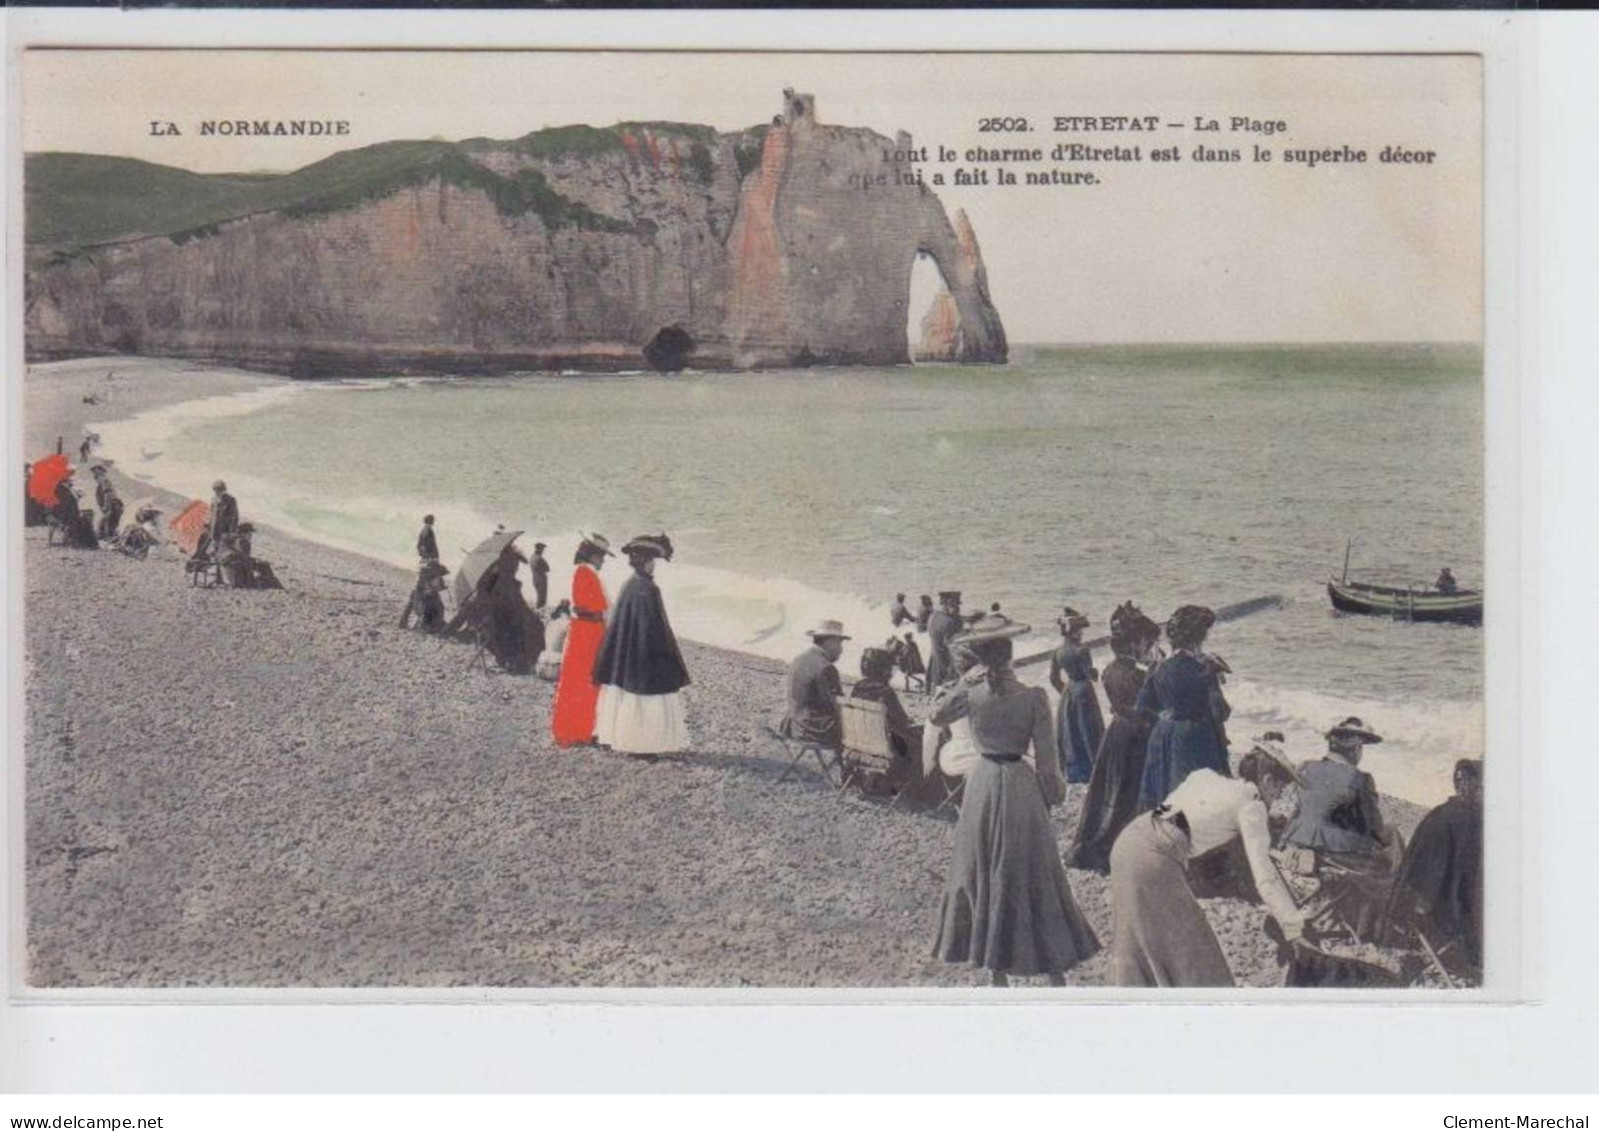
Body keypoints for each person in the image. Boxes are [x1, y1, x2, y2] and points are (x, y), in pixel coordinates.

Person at [930, 613, 1100, 986]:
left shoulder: (971, 695)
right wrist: (1053, 796)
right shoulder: (1034, 697)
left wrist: (963, 681)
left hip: (983, 784)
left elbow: (936, 714)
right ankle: (1054, 970)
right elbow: (1047, 762)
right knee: (1035, 872)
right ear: (1010, 656)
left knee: (986, 871)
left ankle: (997, 971)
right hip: (1019, 785)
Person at [1108, 748, 1308, 987]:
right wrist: (1293, 925)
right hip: (1154, 860)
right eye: (1279, 789)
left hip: (1130, 838)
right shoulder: (1252, 806)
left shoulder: (1204, 776)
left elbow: (1170, 810)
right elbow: (1265, 877)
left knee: (1138, 940)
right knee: (1195, 954)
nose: (1277, 799)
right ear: (1266, 780)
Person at [1282, 717, 1401, 939]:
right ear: (1355, 749)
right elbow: (1373, 827)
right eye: (1361, 747)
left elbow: (1303, 809)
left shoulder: (1306, 767)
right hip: (1333, 856)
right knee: (1391, 836)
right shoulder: (1359, 778)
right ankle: (1393, 909)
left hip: (1299, 845)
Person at [1069, 601, 1164, 873]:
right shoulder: (1138, 675)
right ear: (1135, 643)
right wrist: (1157, 671)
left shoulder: (1110, 670)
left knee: (1109, 793)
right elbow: (1150, 710)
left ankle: (1098, 846)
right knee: (1131, 795)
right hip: (1136, 740)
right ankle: (1124, 850)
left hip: (1117, 735)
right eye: (1147, 643)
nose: (1148, 648)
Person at [592, 534, 692, 757]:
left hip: (629, 657)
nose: (654, 565)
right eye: (652, 561)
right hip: (646, 656)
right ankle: (643, 747)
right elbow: (656, 627)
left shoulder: (629, 585)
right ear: (646, 562)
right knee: (648, 702)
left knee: (630, 700)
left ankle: (630, 743)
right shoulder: (649, 589)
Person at [1383, 759, 1483, 972]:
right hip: (1467, 919)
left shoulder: (1439, 816)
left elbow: (1413, 879)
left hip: (1436, 914)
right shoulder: (1485, 820)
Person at [1136, 605, 1232, 809]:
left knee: (1165, 797)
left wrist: (1165, 717)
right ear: (1198, 640)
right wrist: (1213, 679)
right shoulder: (1203, 669)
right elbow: (1220, 712)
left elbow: (1141, 708)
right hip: (1194, 738)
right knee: (1197, 799)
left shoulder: (1158, 667)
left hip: (1162, 735)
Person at [552, 534, 613, 745]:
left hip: (585, 629)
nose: (603, 560)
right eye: (602, 556)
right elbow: (598, 606)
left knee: (580, 679)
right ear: (594, 555)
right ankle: (579, 731)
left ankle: (579, 729)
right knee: (585, 680)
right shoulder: (586, 573)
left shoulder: (582, 572)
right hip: (587, 631)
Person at [848, 647, 924, 789]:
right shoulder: (886, 692)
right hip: (883, 748)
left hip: (859, 743)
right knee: (920, 740)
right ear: (884, 670)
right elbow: (902, 722)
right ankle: (915, 789)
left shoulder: (857, 687)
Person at [1049, 607, 1104, 784]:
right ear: (1074, 632)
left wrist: (1065, 692)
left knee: (1071, 732)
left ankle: (1074, 772)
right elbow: (1089, 674)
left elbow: (1053, 678)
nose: (1081, 633)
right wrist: (1095, 673)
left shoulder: (1057, 652)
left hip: (1069, 690)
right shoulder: (1082, 650)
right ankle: (1093, 769)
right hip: (1083, 690)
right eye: (1080, 630)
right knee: (1088, 730)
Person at [778, 620, 850, 749]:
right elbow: (837, 705)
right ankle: (847, 768)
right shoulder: (826, 667)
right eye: (839, 644)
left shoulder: (799, 659)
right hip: (816, 731)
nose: (841, 650)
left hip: (795, 726)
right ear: (830, 642)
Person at [925, 590, 963, 688]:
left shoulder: (932, 616)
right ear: (947, 604)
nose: (957, 608)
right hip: (946, 667)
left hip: (934, 664)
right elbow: (954, 647)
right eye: (954, 604)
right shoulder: (950, 622)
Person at [400, 560, 450, 633]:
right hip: (425, 623)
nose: (440, 579)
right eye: (438, 577)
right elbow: (423, 610)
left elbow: (409, 607)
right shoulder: (424, 593)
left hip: (425, 620)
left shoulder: (425, 591)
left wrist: (402, 622)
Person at [90, 465, 123, 541]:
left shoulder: (104, 480)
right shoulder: (102, 481)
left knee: (107, 525)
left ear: (101, 472)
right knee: (106, 526)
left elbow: (108, 493)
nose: (94, 475)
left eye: (96, 472)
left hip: (112, 507)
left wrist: (106, 506)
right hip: (112, 507)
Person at [209, 480, 239, 546]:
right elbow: (211, 515)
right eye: (215, 489)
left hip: (225, 530)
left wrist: (231, 531)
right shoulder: (213, 500)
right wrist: (209, 526)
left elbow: (234, 516)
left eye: (219, 489)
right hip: (214, 529)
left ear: (223, 490)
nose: (217, 492)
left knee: (224, 548)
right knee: (214, 547)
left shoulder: (230, 500)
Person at [531, 542, 551, 609]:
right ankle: (540, 614)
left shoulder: (532, 557)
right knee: (542, 599)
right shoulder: (540, 558)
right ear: (539, 549)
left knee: (539, 597)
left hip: (535, 579)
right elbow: (548, 569)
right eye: (542, 549)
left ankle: (539, 613)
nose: (543, 551)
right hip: (541, 579)